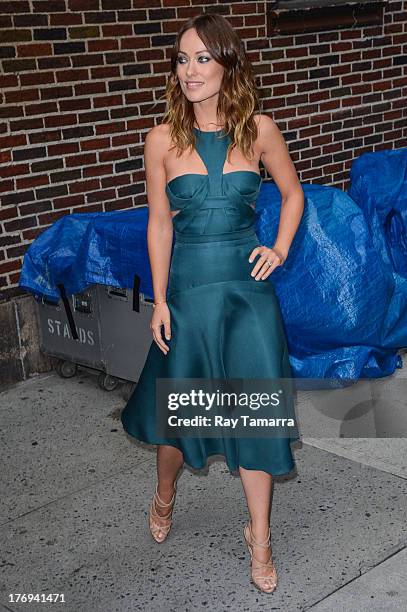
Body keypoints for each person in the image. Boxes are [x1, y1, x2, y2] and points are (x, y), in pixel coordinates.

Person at [121, 12, 304, 594]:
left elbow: (293, 193)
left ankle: (261, 537)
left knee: (255, 415)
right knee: (181, 419)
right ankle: (165, 492)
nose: (190, 69)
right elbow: (158, 225)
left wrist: (278, 247)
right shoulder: (160, 140)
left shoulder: (261, 129)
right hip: (190, 295)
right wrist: (158, 301)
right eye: (181, 58)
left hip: (248, 296)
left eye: (202, 57)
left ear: (228, 64)